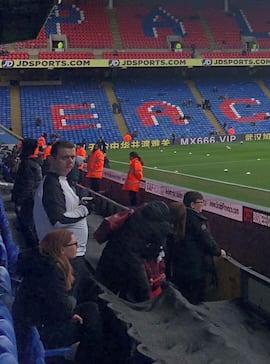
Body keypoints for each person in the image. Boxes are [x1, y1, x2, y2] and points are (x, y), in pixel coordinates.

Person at [13, 229, 104, 364]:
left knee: (90, 310)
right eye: (74, 244)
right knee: (90, 318)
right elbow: (61, 305)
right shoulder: (51, 270)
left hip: (33, 321)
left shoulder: (42, 262)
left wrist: (70, 311)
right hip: (39, 329)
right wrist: (70, 313)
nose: (77, 247)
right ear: (62, 249)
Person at [34, 140, 96, 301]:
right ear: (52, 159)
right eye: (64, 157)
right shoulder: (52, 185)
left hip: (68, 256)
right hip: (63, 259)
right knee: (67, 304)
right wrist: (86, 209)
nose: (70, 161)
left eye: (73, 157)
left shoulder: (60, 181)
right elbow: (59, 220)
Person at [96, 201, 172, 302]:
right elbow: (139, 257)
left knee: (102, 293)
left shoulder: (132, 217)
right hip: (130, 268)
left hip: (110, 260)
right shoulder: (159, 230)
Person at [167, 191, 226, 304]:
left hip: (179, 267)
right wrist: (218, 252)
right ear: (192, 204)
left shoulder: (178, 216)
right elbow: (207, 240)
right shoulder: (195, 220)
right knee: (194, 298)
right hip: (194, 268)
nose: (202, 205)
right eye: (201, 202)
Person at [12, 137, 43, 246]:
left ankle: (33, 249)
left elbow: (27, 185)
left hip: (29, 200)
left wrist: (20, 200)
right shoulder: (30, 162)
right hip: (30, 199)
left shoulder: (28, 164)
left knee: (27, 225)